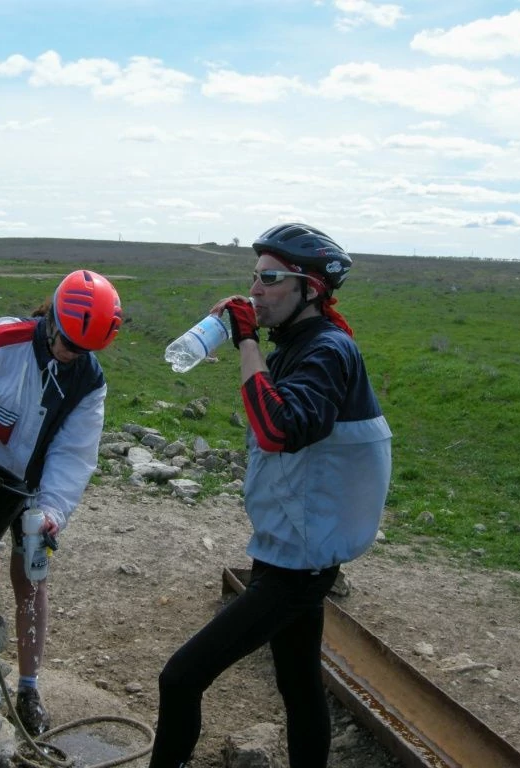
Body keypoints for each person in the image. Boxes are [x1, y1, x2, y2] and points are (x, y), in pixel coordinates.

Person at [149, 223, 392, 768]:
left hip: (300, 560)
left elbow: (278, 430)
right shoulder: (303, 344)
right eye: (254, 278)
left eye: (271, 279)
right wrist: (248, 337)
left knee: (181, 677)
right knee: (299, 682)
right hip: (288, 544)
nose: (255, 290)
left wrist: (247, 341)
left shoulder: (328, 350)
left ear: (309, 288)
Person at [0, 269, 122, 736]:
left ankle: (28, 688)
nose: (70, 354)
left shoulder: (88, 383)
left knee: (33, 580)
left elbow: (73, 455)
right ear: (53, 317)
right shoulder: (2, 340)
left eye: (82, 350)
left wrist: (53, 512)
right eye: (67, 342)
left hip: (35, 488)